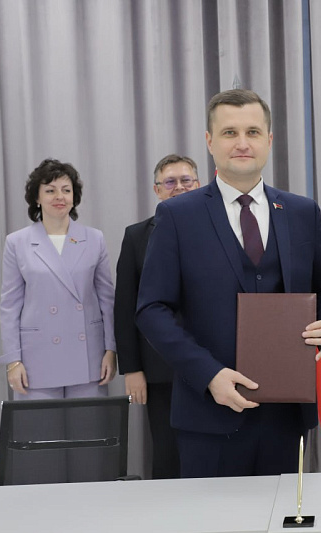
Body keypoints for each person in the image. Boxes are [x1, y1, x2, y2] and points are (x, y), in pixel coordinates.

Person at [135, 89, 321, 478]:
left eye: (252, 132)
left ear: (269, 140)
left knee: (285, 510)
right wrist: (208, 374)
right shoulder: (177, 216)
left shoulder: (301, 212)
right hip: (207, 415)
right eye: (230, 132)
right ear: (209, 141)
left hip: (286, 417)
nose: (242, 143)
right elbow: (152, 309)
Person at [0, 159, 116, 399]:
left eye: (66, 190)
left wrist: (111, 349)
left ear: (74, 197)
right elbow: (9, 306)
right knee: (40, 423)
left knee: (87, 423)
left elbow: (107, 300)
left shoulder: (94, 239)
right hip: (36, 358)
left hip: (88, 355)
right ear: (37, 198)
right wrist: (13, 360)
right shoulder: (17, 242)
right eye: (50, 190)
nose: (59, 197)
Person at [114, 154, 199, 479]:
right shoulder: (136, 236)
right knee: (167, 452)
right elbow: (125, 306)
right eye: (170, 182)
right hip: (159, 368)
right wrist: (132, 368)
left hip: (214, 362)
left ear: (198, 185)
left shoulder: (223, 229)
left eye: (186, 181)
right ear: (157, 189)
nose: (179, 187)